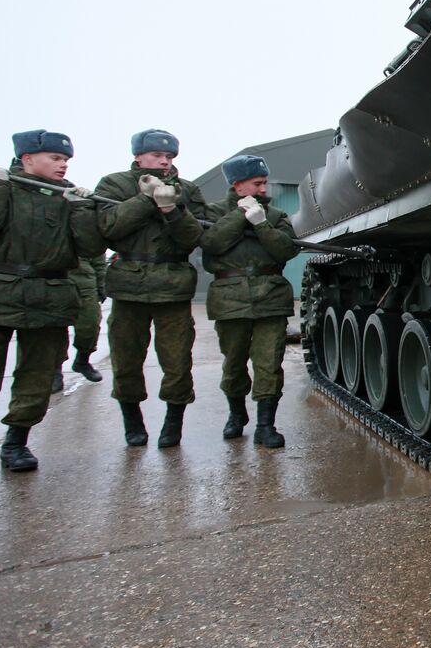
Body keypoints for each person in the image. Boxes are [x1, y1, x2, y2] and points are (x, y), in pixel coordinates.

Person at [0, 131, 105, 488]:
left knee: (37, 376)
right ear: (27, 158)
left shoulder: (65, 198)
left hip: (49, 295)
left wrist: (81, 208)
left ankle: (17, 443)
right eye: (55, 159)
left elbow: (89, 247)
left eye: (66, 161)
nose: (63, 165)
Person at [95, 129, 206, 448]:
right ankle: (133, 421)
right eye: (157, 155)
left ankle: (173, 423)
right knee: (126, 359)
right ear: (138, 156)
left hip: (172, 284)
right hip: (129, 285)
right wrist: (145, 199)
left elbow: (193, 237)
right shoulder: (114, 184)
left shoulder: (186, 190)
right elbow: (108, 228)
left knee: (177, 361)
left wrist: (173, 210)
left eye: (169, 157)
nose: (164, 161)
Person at [199, 155, 298, 448]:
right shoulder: (213, 212)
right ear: (238, 185)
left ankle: (265, 426)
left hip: (271, 298)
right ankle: (236, 415)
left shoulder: (276, 215)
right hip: (231, 301)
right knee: (234, 364)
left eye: (265, 182)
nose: (264, 188)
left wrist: (260, 223)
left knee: (269, 364)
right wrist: (239, 216)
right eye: (257, 183)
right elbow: (211, 245)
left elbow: (285, 250)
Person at [52, 230, 107, 392]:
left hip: (85, 281)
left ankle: (83, 360)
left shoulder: (84, 217)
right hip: (54, 279)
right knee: (55, 330)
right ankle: (55, 370)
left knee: (90, 324)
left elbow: (98, 254)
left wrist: (101, 283)